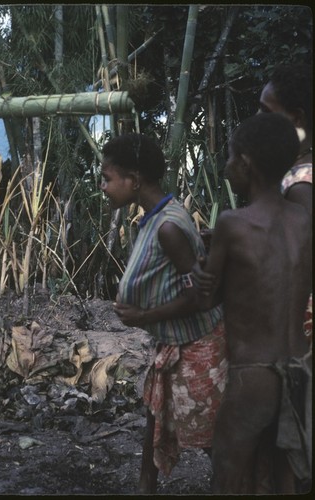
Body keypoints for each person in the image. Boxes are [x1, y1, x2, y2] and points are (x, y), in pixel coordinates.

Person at [100, 133, 227, 494]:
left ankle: (234, 485)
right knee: (154, 417)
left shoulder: (168, 227)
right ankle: (146, 487)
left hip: (196, 346)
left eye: (108, 178)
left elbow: (200, 298)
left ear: (135, 180)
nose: (104, 187)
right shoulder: (153, 220)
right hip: (173, 343)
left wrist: (143, 316)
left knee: (209, 434)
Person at [197, 112, 312, 494]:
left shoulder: (232, 223)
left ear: (245, 162)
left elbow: (207, 298)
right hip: (300, 368)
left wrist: (199, 269)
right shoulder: (304, 220)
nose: (227, 165)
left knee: (228, 474)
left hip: (254, 375)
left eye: (230, 156)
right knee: (286, 480)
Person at [258, 63, 312, 343]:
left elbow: (300, 263)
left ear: (296, 118)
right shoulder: (294, 172)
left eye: (266, 111)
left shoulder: (301, 183)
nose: (258, 118)